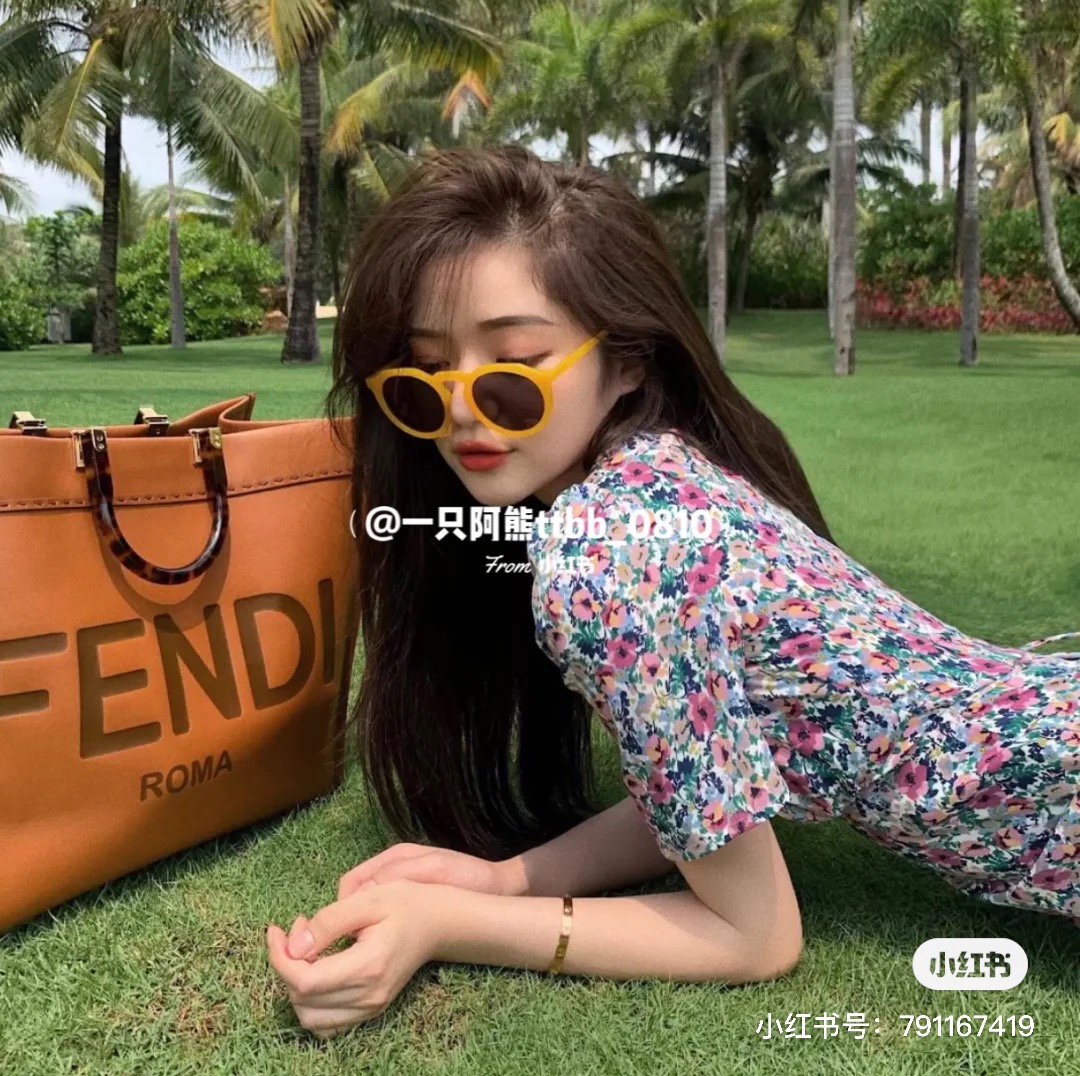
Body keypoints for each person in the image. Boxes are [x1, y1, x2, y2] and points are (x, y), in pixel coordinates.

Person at [264, 143, 1080, 1039]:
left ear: (628, 363)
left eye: (512, 368)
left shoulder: (606, 560)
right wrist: (508, 878)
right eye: (424, 381)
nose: (459, 412)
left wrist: (451, 922)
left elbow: (753, 936)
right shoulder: (663, 474)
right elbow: (699, 781)